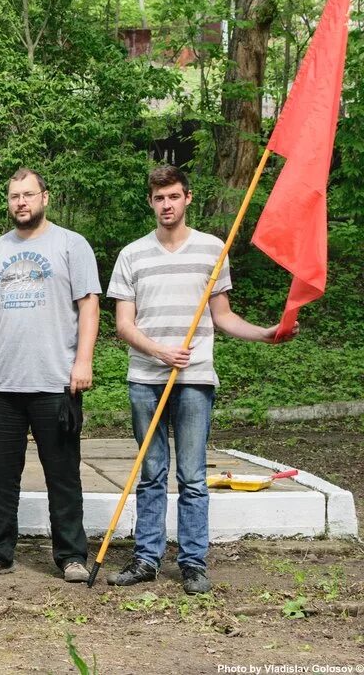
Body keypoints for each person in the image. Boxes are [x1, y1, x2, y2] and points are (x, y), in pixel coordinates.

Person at [106, 165, 295, 594]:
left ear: (187, 198)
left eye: (173, 196)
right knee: (151, 471)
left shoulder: (213, 249)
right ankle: (147, 558)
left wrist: (265, 334)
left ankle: (193, 562)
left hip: (195, 379)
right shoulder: (132, 254)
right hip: (145, 378)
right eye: (159, 198)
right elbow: (123, 325)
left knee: (192, 475)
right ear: (151, 201)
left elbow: (223, 316)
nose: (166, 204)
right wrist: (158, 351)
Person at [0, 169, 99, 584]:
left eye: (28, 194)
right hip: (2, 384)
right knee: (1, 477)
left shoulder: (71, 245)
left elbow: (89, 307)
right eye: (14, 196)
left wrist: (84, 361)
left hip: (56, 381)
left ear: (45, 198)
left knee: (63, 475)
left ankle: (72, 555)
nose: (21, 202)